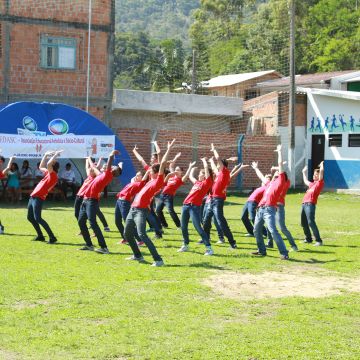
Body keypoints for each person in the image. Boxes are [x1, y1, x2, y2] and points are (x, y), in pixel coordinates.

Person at [124, 139, 176, 266]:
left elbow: (163, 162)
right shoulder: (150, 180)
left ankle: (158, 260)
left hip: (141, 210)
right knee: (127, 233)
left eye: (151, 170)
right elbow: (144, 163)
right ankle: (138, 255)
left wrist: (169, 149)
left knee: (142, 234)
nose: (149, 170)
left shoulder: (158, 180)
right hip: (133, 208)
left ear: (157, 172)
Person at [78, 150, 122, 254]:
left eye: (112, 167)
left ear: (112, 171)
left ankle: (104, 247)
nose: (110, 166)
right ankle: (89, 245)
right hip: (85, 200)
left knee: (93, 223)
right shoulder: (101, 175)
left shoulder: (108, 175)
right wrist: (89, 159)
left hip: (91, 201)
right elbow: (93, 168)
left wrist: (111, 155)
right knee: (81, 221)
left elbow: (110, 163)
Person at [251, 145, 289, 260]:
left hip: (269, 210)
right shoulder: (270, 184)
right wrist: (256, 168)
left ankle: (284, 253)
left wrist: (280, 152)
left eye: (277, 175)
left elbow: (280, 164)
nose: (275, 176)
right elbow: (262, 177)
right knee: (256, 229)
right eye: (275, 175)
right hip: (260, 209)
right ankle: (262, 250)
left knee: (272, 230)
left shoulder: (280, 182)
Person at [203, 144, 238, 249]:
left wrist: (214, 150)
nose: (217, 166)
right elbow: (214, 166)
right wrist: (210, 161)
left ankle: (232, 243)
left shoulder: (225, 172)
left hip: (218, 200)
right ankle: (206, 239)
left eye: (219, 164)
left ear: (223, 165)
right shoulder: (219, 174)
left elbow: (218, 159)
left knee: (220, 220)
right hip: (212, 199)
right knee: (206, 220)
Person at [178, 158, 214, 255]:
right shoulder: (197, 183)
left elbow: (206, 169)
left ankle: (209, 248)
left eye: (201, 173)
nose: (199, 175)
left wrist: (204, 161)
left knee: (198, 227)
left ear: (205, 175)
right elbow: (190, 176)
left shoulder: (207, 183)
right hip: (186, 205)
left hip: (194, 207)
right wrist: (191, 167)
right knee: (183, 226)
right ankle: (185, 244)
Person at [27, 150, 63, 243]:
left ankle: (52, 237)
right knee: (30, 217)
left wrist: (55, 155)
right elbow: (41, 166)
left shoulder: (54, 175)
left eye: (53, 163)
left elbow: (48, 164)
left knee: (38, 218)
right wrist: (46, 155)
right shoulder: (49, 173)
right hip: (33, 197)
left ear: (53, 167)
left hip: (38, 198)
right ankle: (40, 236)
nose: (51, 162)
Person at [74, 157, 110, 234]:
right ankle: (84, 229)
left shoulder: (96, 178)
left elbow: (94, 168)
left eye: (92, 170)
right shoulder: (89, 176)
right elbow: (87, 167)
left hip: (88, 198)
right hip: (79, 196)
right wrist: (87, 159)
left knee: (95, 214)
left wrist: (97, 161)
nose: (90, 170)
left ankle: (102, 227)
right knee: (78, 214)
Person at [266, 165, 298, 252]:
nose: (276, 178)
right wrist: (273, 176)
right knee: (269, 226)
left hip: (279, 207)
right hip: (271, 206)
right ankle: (270, 243)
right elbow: (269, 185)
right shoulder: (274, 183)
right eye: (275, 177)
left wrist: (276, 168)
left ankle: (294, 245)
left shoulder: (286, 182)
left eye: (277, 176)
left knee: (282, 228)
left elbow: (282, 172)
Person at [115, 170, 148, 245]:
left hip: (124, 203)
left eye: (139, 175)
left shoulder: (141, 184)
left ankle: (140, 240)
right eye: (136, 175)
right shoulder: (133, 182)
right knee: (117, 221)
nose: (136, 176)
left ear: (143, 177)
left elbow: (144, 179)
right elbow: (134, 179)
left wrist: (147, 172)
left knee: (128, 222)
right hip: (119, 201)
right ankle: (125, 238)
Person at [241, 162, 271, 237]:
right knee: (243, 217)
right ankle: (252, 232)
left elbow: (261, 177)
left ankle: (266, 233)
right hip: (248, 202)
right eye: (265, 177)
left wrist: (256, 168)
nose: (265, 178)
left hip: (254, 202)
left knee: (253, 218)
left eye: (267, 178)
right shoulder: (260, 187)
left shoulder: (268, 187)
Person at [155, 152, 183, 229]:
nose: (176, 171)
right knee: (158, 210)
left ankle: (179, 225)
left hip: (169, 196)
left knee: (170, 210)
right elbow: (171, 165)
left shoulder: (179, 179)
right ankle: (164, 224)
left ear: (181, 172)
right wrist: (176, 157)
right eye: (176, 170)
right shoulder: (172, 175)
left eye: (178, 170)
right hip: (162, 195)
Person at [301, 162, 325, 246]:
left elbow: (321, 172)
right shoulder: (311, 184)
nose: (314, 176)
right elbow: (305, 181)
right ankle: (308, 239)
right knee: (303, 223)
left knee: (311, 222)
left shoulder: (319, 183)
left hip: (310, 205)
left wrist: (321, 165)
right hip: (304, 204)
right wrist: (303, 172)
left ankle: (319, 241)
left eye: (316, 175)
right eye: (314, 174)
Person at [0, 156, 16, 234]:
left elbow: (8, 168)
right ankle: (1, 227)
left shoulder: (1, 173)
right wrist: (11, 159)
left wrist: (11, 159)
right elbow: (8, 168)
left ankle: (1, 227)